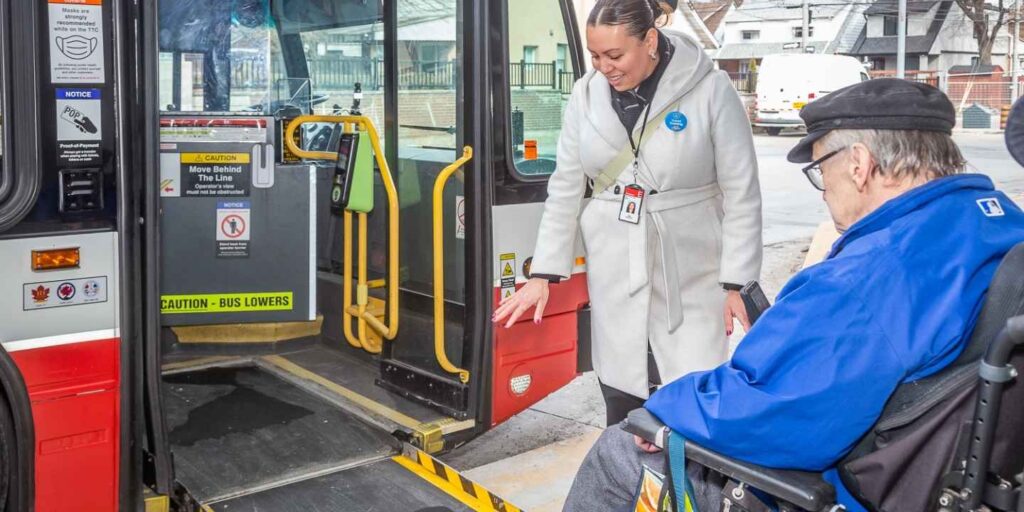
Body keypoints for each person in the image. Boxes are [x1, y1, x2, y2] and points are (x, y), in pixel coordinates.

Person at [562, 79, 1024, 512]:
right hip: (947, 472)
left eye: (822, 169)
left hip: (836, 487)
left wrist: (665, 409)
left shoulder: (867, 277)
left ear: (859, 165)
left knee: (620, 449)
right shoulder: (999, 219)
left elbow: (767, 414)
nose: (824, 192)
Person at [493, 0, 762, 426]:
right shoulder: (585, 94)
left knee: (690, 391)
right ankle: (624, 478)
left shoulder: (710, 89)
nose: (604, 67)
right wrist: (543, 273)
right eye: (596, 55)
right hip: (615, 261)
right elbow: (565, 187)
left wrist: (737, 283)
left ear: (650, 40)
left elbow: (742, 191)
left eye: (615, 55)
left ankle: (687, 483)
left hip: (689, 264)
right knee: (622, 391)